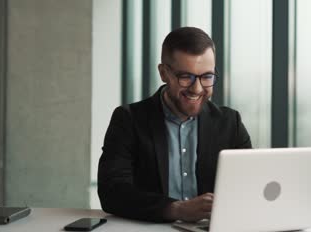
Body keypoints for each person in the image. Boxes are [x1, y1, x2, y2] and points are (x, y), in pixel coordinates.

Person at [97, 27, 252, 223]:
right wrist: (176, 210)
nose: (197, 89)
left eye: (206, 77)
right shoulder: (128, 119)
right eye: (186, 77)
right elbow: (112, 192)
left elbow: (251, 187)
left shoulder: (230, 123)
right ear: (163, 73)